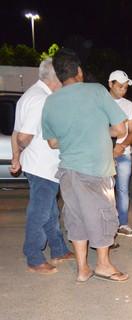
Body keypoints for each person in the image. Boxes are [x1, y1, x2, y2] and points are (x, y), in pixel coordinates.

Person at [41, 48, 128, 283]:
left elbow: (51, 142)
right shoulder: (96, 91)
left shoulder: (49, 102)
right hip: (95, 169)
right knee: (102, 215)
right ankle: (103, 265)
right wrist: (101, 129)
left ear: (59, 76)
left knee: (76, 217)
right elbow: (121, 129)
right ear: (79, 71)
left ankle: (82, 269)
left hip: (68, 171)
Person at [10, 58, 73, 274]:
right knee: (40, 213)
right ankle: (34, 256)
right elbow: (23, 135)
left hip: (38, 165)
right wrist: (22, 146)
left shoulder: (29, 95)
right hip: (42, 167)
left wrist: (16, 157)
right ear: (55, 78)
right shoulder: (41, 100)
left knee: (50, 211)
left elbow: (15, 131)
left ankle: (58, 249)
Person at [108, 70, 132, 238]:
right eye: (120, 86)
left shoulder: (128, 105)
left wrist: (122, 145)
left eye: (125, 87)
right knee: (106, 191)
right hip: (105, 155)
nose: (123, 90)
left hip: (124, 153)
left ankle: (123, 224)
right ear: (110, 84)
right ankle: (108, 225)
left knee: (123, 189)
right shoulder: (101, 102)